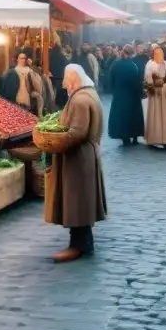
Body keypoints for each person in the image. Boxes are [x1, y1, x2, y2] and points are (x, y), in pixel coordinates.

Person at [45, 64, 108, 262]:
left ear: (73, 80)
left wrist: (55, 141)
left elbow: (77, 132)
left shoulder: (80, 100)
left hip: (78, 158)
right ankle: (83, 243)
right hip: (83, 156)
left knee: (77, 201)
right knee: (81, 201)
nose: (65, 86)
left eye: (66, 81)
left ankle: (78, 245)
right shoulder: (89, 94)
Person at [108, 45, 145, 146]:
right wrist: (141, 93)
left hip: (119, 95)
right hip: (133, 95)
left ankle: (125, 138)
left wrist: (114, 90)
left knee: (122, 117)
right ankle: (135, 137)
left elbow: (110, 80)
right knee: (134, 116)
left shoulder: (116, 65)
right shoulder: (134, 66)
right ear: (131, 53)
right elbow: (138, 82)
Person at [144, 45, 166, 149]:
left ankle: (154, 138)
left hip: (156, 91)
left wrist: (150, 87)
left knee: (155, 114)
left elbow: (148, 81)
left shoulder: (150, 65)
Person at [48, 42, 69, 109]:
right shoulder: (62, 56)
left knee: (54, 91)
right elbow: (66, 64)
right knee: (61, 91)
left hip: (53, 76)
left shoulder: (50, 55)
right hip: (61, 76)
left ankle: (56, 105)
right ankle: (62, 105)